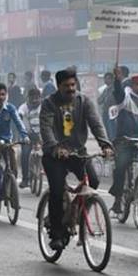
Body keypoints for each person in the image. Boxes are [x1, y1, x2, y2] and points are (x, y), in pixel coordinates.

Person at [39, 69, 113, 251]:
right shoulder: (49, 103)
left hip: (78, 152)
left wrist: (105, 144)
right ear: (59, 87)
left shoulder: (84, 101)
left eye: (73, 85)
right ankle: (56, 232)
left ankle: (74, 213)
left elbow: (96, 123)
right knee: (56, 191)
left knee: (93, 181)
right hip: (55, 156)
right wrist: (56, 147)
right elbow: (46, 128)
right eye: (67, 86)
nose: (71, 89)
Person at [108, 68, 138, 214]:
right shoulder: (125, 96)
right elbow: (118, 93)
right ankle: (117, 200)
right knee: (121, 166)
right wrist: (117, 80)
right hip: (125, 140)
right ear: (133, 85)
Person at [0, 83, 29, 193]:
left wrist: (24, 136)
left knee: (13, 166)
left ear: (6, 95)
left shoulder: (10, 108)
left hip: (7, 140)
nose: (1, 97)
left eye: (3, 94)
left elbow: (18, 122)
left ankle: (11, 189)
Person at [17, 88, 42, 188]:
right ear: (28, 98)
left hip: (42, 135)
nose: (35, 100)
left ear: (40, 98)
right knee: (25, 154)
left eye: (37, 98)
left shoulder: (44, 106)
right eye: (33, 98)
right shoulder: (23, 107)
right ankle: (25, 179)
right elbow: (19, 116)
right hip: (27, 135)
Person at [97, 72, 116, 140]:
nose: (105, 80)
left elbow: (112, 100)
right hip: (105, 112)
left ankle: (113, 143)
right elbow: (99, 100)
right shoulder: (105, 89)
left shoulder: (115, 89)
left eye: (107, 79)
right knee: (108, 129)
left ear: (112, 79)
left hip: (112, 112)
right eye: (105, 79)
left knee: (112, 129)